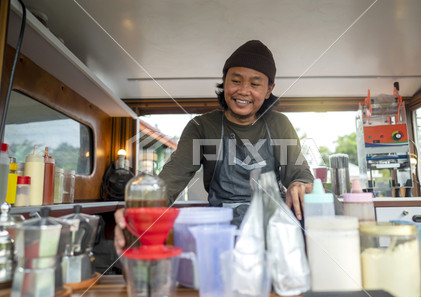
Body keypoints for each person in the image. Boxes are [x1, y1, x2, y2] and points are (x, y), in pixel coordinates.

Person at [114, 40, 314, 254]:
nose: (244, 91)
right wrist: (138, 210)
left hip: (273, 225)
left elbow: (299, 173)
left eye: (255, 84)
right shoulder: (202, 127)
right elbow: (171, 180)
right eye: (236, 81)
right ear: (224, 81)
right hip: (223, 229)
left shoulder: (279, 124)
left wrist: (300, 184)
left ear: (268, 90)